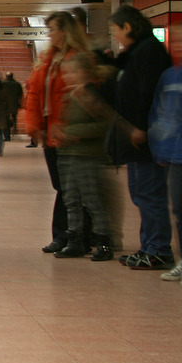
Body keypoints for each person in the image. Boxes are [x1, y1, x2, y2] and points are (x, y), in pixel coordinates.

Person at [109, 4, 174, 270]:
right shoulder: (136, 52)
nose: (115, 36)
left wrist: (141, 128)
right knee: (140, 193)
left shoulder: (149, 51)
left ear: (128, 27)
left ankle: (159, 249)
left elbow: (147, 93)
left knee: (149, 193)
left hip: (147, 138)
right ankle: (148, 246)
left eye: (116, 30)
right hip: (136, 136)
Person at [24, 11, 92, 254]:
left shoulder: (79, 59)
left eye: (52, 29)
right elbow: (34, 94)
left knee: (72, 189)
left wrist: (68, 126)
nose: (49, 34)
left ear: (65, 31)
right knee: (61, 186)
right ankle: (64, 235)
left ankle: (75, 236)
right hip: (50, 132)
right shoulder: (47, 59)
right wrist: (35, 126)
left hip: (69, 132)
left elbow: (82, 97)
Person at [50, 54, 114, 260]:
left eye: (73, 72)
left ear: (86, 72)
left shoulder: (90, 95)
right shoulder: (70, 95)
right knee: (71, 200)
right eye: (66, 73)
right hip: (67, 153)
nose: (68, 76)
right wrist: (58, 131)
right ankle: (75, 239)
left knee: (91, 199)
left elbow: (106, 123)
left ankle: (103, 241)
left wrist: (72, 132)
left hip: (86, 155)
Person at [148, 22, 182, 284]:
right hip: (178, 157)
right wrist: (161, 149)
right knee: (179, 211)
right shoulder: (170, 76)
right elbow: (161, 114)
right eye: (179, 41)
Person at [2, 72, 24, 137]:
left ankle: (7, 135)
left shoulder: (2, 84)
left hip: (5, 104)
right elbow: (20, 94)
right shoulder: (17, 84)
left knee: (6, 120)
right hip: (14, 104)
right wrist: (20, 103)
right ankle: (14, 129)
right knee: (14, 117)